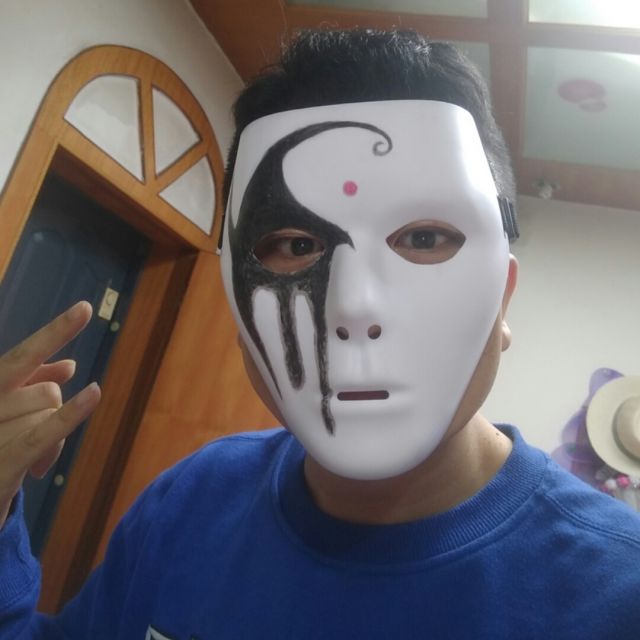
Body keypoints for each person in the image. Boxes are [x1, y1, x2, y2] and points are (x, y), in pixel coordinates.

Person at [1, 29, 639, 640]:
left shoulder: (617, 596)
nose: (353, 306)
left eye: (423, 238)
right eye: (295, 245)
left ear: (503, 298)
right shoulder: (192, 500)